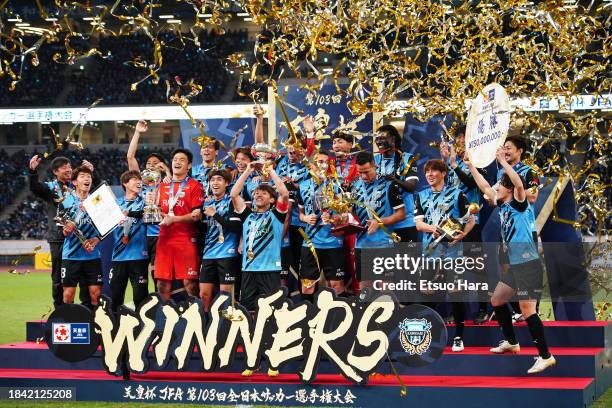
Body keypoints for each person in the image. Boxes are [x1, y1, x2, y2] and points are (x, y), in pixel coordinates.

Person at [467, 148, 555, 374]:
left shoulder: (519, 202)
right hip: (516, 265)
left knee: (528, 311)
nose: (494, 188)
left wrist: (502, 162)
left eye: (499, 186)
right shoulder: (502, 204)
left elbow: (518, 184)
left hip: (528, 264)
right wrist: (470, 166)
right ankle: (511, 342)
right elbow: (485, 187)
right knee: (497, 300)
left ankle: (545, 356)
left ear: (507, 189)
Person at [414, 159, 475, 352]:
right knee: (427, 295)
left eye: (434, 171)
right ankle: (428, 336)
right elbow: (418, 224)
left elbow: (471, 218)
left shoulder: (458, 194)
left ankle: (458, 336)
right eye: (427, 172)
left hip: (453, 253)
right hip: (430, 252)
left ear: (443, 173)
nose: (430, 175)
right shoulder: (421, 196)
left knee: (456, 294)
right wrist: (434, 229)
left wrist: (464, 233)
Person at [29, 155, 95, 308]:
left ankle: (87, 308)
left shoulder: (77, 186)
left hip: (81, 237)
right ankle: (60, 309)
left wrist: (92, 173)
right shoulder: (51, 188)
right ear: (55, 171)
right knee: (59, 276)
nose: (69, 169)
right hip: (59, 238)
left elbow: (96, 195)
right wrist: (32, 171)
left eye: (70, 166)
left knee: (85, 274)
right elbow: (35, 188)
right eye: (64, 167)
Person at [440, 129, 489, 324]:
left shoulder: (478, 164)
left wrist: (453, 165)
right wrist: (445, 162)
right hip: (451, 224)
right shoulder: (452, 163)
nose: (459, 144)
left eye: (463, 140)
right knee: (453, 269)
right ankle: (456, 311)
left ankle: (483, 309)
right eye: (457, 140)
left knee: (476, 267)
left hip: (471, 224)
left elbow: (470, 184)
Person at [230, 161, 289, 313]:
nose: (258, 194)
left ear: (271, 200)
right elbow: (234, 194)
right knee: (247, 311)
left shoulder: (276, 215)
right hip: (249, 269)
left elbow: (284, 194)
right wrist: (248, 171)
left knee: (272, 311)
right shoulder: (247, 216)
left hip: (270, 270)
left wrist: (271, 171)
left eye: (263, 193)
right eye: (256, 193)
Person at [154, 149, 204, 300]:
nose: (177, 162)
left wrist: (174, 219)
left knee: (190, 283)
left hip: (185, 238)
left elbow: (196, 215)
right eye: (175, 159)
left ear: (189, 166)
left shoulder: (195, 186)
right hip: (164, 239)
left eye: (182, 160)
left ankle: (195, 317)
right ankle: (165, 318)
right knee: (162, 284)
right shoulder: (162, 186)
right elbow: (157, 210)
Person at [297, 151, 346, 302]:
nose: (321, 165)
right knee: (307, 286)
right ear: (311, 165)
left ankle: (339, 319)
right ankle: (308, 319)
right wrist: (306, 218)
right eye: (318, 161)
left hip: (333, 243)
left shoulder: (336, 185)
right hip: (310, 243)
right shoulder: (303, 186)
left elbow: (345, 215)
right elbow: (300, 213)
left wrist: (333, 218)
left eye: (324, 162)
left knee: (336, 285)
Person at [351, 151, 405, 289]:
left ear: (375, 166)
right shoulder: (355, 186)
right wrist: (343, 218)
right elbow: (351, 212)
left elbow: (400, 214)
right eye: (360, 172)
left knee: (385, 287)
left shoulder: (389, 184)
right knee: (365, 287)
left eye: (367, 172)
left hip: (384, 245)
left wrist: (379, 222)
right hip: (362, 245)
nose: (363, 176)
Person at [126, 119, 170, 283]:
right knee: (145, 274)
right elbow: (130, 157)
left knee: (162, 274)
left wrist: (167, 172)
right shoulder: (141, 185)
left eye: (156, 163)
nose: (151, 165)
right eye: (148, 163)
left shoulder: (168, 184)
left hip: (163, 233)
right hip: (143, 233)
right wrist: (137, 132)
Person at [59, 166, 103, 306]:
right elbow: (62, 229)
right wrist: (67, 229)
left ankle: (94, 325)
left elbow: (107, 226)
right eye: (83, 176)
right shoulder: (66, 201)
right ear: (75, 182)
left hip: (92, 255)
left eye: (89, 176)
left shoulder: (97, 201)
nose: (87, 179)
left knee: (96, 294)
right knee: (68, 295)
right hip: (71, 256)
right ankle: (69, 324)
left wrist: (96, 239)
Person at [199, 169, 242, 312]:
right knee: (204, 295)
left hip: (227, 254)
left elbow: (235, 226)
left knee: (225, 296)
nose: (215, 183)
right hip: (208, 254)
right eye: (212, 180)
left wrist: (215, 214)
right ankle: (205, 326)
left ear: (227, 183)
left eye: (219, 180)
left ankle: (226, 326)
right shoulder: (206, 203)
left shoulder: (232, 201)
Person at [109, 170, 149, 312]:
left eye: (140, 180)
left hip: (139, 256)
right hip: (118, 257)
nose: (139, 182)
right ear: (125, 184)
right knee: (115, 297)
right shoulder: (115, 204)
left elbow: (146, 213)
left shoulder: (145, 202)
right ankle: (115, 330)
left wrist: (129, 213)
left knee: (141, 298)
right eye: (134, 179)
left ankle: (143, 329)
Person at [374, 125, 419, 242]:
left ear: (393, 139)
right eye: (376, 138)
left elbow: (411, 187)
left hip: (405, 222)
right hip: (384, 222)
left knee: (407, 260)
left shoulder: (407, 159)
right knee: (385, 260)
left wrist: (395, 180)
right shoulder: (374, 160)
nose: (378, 141)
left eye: (382, 138)